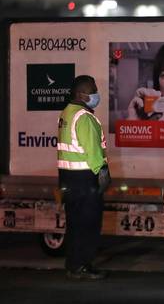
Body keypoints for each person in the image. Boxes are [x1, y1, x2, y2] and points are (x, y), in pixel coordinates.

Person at [57, 75, 111, 280]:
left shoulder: (66, 114)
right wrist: (103, 173)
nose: (96, 94)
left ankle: (73, 264)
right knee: (88, 224)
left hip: (68, 180)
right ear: (81, 94)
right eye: (93, 90)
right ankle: (82, 266)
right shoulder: (84, 118)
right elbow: (93, 151)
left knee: (74, 224)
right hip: (85, 180)